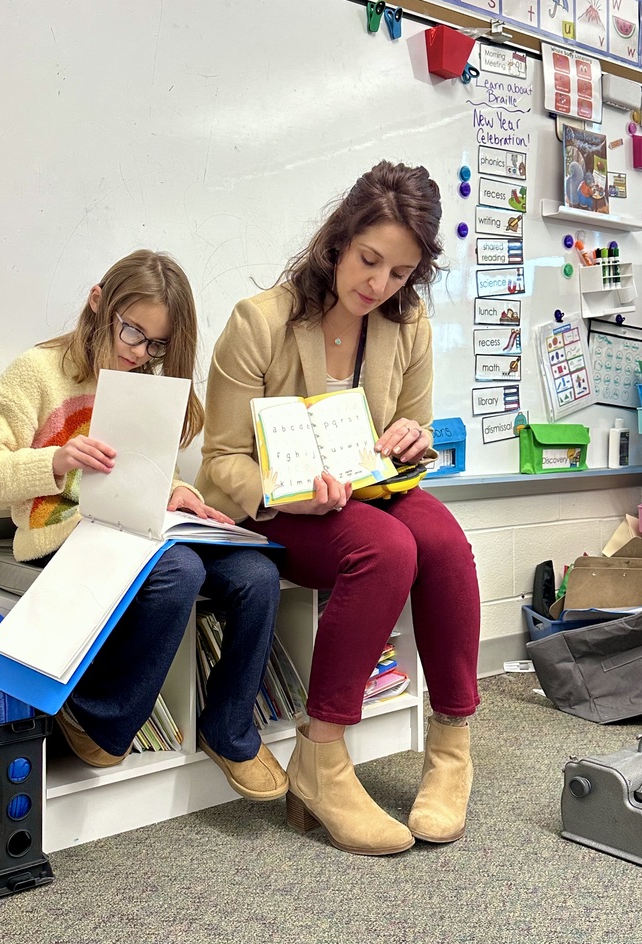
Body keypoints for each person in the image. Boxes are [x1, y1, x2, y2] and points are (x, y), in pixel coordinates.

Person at [196, 162, 481, 854]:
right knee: (386, 550)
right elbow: (221, 459)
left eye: (399, 273)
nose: (378, 284)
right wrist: (285, 487)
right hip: (277, 506)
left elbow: (408, 441)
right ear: (338, 239)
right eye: (369, 260)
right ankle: (320, 757)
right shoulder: (259, 320)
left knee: (442, 544)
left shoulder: (405, 324)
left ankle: (451, 748)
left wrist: (411, 443)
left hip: (366, 490)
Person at [0, 249, 287, 801]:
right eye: (132, 333)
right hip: (62, 532)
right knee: (178, 570)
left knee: (255, 572)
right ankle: (98, 718)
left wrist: (183, 493)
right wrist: (55, 461)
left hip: (136, 528)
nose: (140, 353)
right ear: (98, 303)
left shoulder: (145, 381)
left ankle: (228, 728)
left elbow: (157, 472)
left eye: (156, 344)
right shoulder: (38, 372)